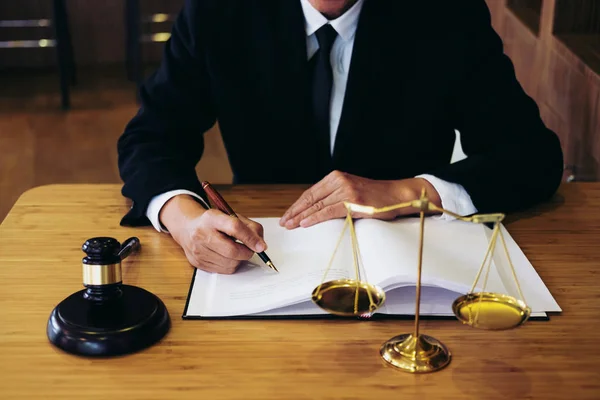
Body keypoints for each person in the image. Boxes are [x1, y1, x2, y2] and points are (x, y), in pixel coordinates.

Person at [117, 0, 564, 274]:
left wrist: (408, 192)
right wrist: (184, 220)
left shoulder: (445, 12)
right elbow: (150, 137)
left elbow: (532, 155)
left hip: (403, 268)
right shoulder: (219, 10)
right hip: (266, 261)